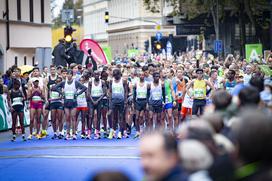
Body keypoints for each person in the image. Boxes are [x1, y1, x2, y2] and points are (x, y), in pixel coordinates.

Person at [53, 69, 87, 140]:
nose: (68, 75)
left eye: (70, 74)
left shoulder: (76, 82)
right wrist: (62, 93)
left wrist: (78, 93)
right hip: (66, 102)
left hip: (73, 102)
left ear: (72, 75)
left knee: (73, 118)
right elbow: (55, 87)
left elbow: (84, 88)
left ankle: (74, 133)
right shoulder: (63, 82)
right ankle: (68, 133)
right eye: (67, 74)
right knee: (67, 118)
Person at [108, 68, 128, 139]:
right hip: (114, 101)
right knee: (114, 117)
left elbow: (126, 91)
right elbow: (110, 91)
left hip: (121, 101)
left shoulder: (123, 81)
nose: (116, 76)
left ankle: (120, 132)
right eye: (115, 75)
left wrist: (125, 101)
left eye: (117, 75)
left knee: (121, 117)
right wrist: (110, 101)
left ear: (120, 75)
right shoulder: (111, 81)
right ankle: (113, 131)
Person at [88, 71, 107, 139]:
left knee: (99, 117)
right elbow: (88, 93)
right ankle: (89, 133)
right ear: (93, 75)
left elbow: (105, 93)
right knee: (90, 116)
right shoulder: (90, 82)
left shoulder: (102, 82)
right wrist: (93, 100)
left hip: (99, 100)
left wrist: (98, 100)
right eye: (95, 74)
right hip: (92, 100)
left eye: (97, 74)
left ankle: (97, 132)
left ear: (99, 75)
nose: (96, 75)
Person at [133, 71, 150, 138]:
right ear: (138, 76)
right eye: (140, 75)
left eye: (143, 75)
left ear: (144, 76)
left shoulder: (147, 84)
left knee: (141, 116)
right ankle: (137, 131)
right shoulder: (136, 84)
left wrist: (147, 103)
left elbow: (148, 95)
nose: (141, 76)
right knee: (137, 117)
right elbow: (134, 94)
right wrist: (133, 103)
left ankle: (142, 130)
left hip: (144, 101)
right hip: (138, 101)